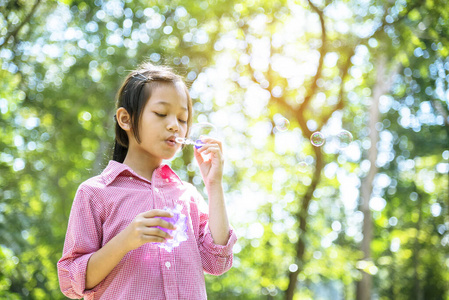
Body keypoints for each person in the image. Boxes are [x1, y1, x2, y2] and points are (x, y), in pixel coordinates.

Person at [57, 62, 237, 299]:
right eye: (161, 114)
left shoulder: (188, 195)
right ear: (126, 119)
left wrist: (214, 185)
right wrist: (126, 240)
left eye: (182, 119)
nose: (174, 125)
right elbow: (72, 282)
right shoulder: (95, 193)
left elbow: (217, 262)